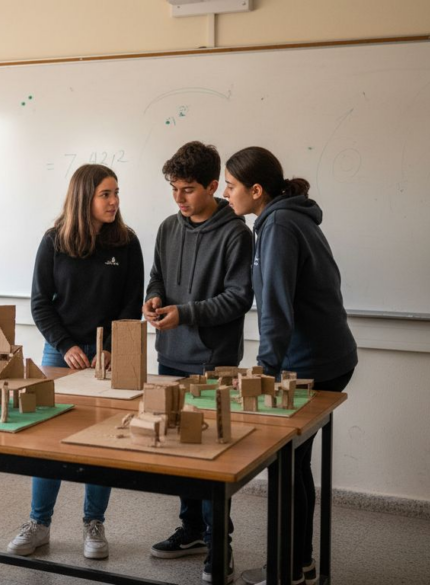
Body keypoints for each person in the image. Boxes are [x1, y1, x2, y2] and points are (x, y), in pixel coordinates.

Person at [223, 146, 357, 585]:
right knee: (296, 465)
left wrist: (263, 371)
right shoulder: (285, 218)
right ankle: (299, 564)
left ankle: (289, 569)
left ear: (256, 190)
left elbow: (276, 308)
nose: (227, 194)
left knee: (289, 466)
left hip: (311, 363)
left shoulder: (279, 223)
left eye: (231, 185)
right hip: (321, 358)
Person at [6, 164, 144, 560]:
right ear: (85, 197)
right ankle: (39, 523)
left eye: (116, 192)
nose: (115, 201)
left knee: (101, 444)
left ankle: (94, 524)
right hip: (61, 353)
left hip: (109, 356)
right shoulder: (54, 241)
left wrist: (113, 347)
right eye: (106, 194)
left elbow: (130, 305)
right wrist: (65, 345)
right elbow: (39, 303)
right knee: (49, 442)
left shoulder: (126, 243)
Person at [143, 141, 254, 583]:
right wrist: (153, 298)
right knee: (180, 456)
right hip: (170, 357)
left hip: (213, 362)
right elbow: (156, 276)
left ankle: (218, 543)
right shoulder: (168, 227)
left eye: (188, 189)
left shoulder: (236, 234)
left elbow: (238, 298)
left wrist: (185, 313)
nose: (179, 198)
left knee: (211, 459)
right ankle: (192, 530)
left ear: (214, 186)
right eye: (173, 188)